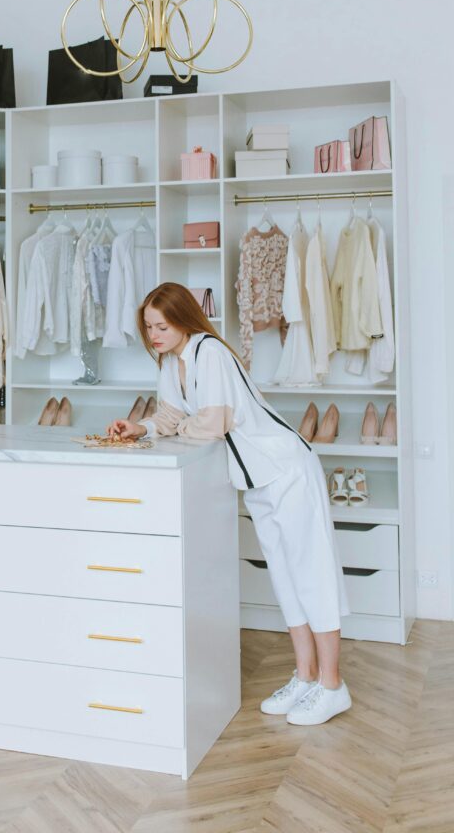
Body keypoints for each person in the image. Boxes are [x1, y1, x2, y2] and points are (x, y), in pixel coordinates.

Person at [108, 282, 351, 726]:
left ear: (183, 320)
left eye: (162, 325)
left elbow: (212, 423)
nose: (155, 334)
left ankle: (333, 685)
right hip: (256, 479)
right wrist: (140, 428)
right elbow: (170, 416)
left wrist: (181, 426)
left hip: (287, 469)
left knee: (311, 574)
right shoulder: (169, 362)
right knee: (284, 577)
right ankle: (305, 675)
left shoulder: (210, 353)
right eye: (148, 327)